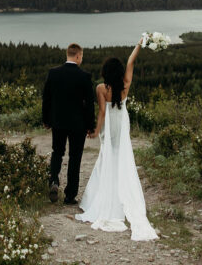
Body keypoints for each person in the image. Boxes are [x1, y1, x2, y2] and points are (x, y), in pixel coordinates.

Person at [75, 40, 157, 241]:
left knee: (107, 155)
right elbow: (131, 61)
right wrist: (140, 44)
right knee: (121, 155)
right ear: (119, 72)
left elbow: (103, 111)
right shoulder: (125, 85)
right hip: (122, 124)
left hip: (110, 125)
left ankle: (105, 196)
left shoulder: (101, 88)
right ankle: (123, 194)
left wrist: (95, 130)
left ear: (105, 71)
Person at [42, 42, 95, 205]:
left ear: (68, 55)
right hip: (78, 125)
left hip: (58, 122)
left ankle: (54, 182)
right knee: (75, 157)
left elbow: (46, 99)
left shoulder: (53, 73)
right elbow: (90, 104)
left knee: (57, 152)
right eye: (81, 57)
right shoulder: (84, 76)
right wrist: (90, 126)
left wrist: (46, 120)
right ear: (78, 56)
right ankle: (70, 195)